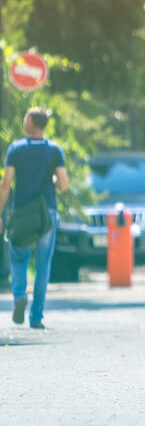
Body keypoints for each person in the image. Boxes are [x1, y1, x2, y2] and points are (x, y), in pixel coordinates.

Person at [0, 107, 69, 330]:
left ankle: (20, 295)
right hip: (46, 213)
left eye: (25, 117)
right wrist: (53, 181)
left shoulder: (16, 149)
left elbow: (6, 184)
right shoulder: (54, 150)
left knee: (18, 257)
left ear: (30, 121)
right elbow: (63, 184)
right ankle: (36, 316)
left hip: (21, 213)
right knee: (43, 264)